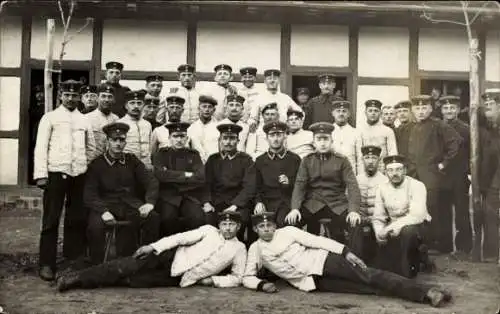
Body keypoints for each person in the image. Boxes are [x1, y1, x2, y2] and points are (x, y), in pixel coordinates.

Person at [243, 212, 452, 308]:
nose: (267, 229)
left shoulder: (287, 231)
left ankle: (428, 293)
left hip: (324, 260)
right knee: (365, 288)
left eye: (269, 225)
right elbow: (247, 276)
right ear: (255, 229)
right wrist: (261, 284)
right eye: (262, 227)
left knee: (369, 275)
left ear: (274, 225)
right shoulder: (256, 249)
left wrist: (345, 252)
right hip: (311, 282)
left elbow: (317, 241)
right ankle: (431, 291)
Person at [56, 212, 247, 292]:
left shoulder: (239, 248)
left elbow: (237, 276)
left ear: (238, 226)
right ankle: (74, 279)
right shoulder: (208, 230)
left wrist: (213, 280)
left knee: (132, 282)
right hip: (169, 257)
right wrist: (153, 247)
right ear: (219, 224)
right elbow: (179, 238)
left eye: (232, 224)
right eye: (224, 223)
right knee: (126, 266)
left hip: (181, 278)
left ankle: (87, 280)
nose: (228, 228)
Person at [34, 80, 97, 281]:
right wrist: (41, 174)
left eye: (75, 95)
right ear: (60, 95)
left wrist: (83, 166)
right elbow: (41, 147)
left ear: (79, 97)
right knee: (51, 220)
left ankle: (72, 260)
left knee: (76, 219)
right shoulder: (50, 118)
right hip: (55, 173)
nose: (71, 98)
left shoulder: (84, 120)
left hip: (78, 174)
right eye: (67, 95)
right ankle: (46, 264)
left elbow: (92, 147)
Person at [84, 122, 160, 265]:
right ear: (107, 141)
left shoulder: (132, 161)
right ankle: (97, 266)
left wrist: (150, 203)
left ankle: (146, 262)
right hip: (104, 204)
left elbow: (151, 181)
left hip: (129, 203)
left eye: (122, 140)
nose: (118, 144)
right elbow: (89, 194)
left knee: (152, 217)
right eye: (114, 140)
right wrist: (103, 211)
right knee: (95, 227)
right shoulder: (97, 164)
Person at [286, 122, 361, 241]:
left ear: (332, 141)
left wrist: (353, 210)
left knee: (356, 224)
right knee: (291, 223)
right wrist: (295, 208)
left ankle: (352, 257)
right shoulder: (307, 161)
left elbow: (352, 186)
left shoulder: (342, 160)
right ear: (314, 142)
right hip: (313, 204)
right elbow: (300, 185)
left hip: (337, 204)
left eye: (326, 139)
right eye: (319, 139)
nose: (322, 143)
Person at [407, 95, 461, 254]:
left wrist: (443, 164)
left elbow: (455, 143)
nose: (421, 111)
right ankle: (420, 243)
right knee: (415, 208)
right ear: (413, 110)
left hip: (431, 175)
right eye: (417, 108)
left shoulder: (439, 125)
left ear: (430, 109)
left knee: (432, 208)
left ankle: (436, 245)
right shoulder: (411, 127)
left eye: (424, 108)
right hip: (413, 174)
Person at [372, 155, 432, 278]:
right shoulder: (382, 188)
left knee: (408, 232)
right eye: (390, 170)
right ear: (385, 172)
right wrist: (379, 233)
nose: (394, 174)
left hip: (417, 227)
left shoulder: (417, 185)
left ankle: (408, 273)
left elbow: (417, 216)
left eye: (398, 169)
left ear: (405, 170)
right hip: (393, 228)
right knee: (382, 266)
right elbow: (378, 216)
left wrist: (391, 228)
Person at [204, 123, 256, 244]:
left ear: (238, 141)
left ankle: (238, 251)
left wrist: (235, 206)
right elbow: (205, 183)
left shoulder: (246, 160)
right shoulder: (213, 159)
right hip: (215, 202)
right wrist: (207, 202)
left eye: (232, 138)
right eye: (225, 138)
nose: (228, 142)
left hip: (238, 203)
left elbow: (249, 187)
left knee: (240, 219)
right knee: (208, 221)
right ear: (220, 140)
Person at [153, 122, 206, 236]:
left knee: (198, 219)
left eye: (182, 136)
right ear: (169, 138)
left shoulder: (193, 154)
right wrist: (186, 175)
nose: (179, 140)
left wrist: (171, 175)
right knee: (167, 220)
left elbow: (200, 177)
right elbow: (160, 175)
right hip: (168, 196)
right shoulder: (162, 154)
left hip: (189, 196)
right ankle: (169, 251)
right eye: (175, 136)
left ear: (187, 138)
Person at [440, 95, 472, 256]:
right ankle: (444, 246)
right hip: (442, 175)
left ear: (458, 110)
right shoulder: (437, 127)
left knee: (461, 211)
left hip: (460, 175)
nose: (449, 111)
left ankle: (464, 247)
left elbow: (472, 153)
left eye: (452, 108)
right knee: (442, 211)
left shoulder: (466, 129)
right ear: (441, 110)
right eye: (445, 108)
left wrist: (470, 173)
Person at [254, 121, 301, 227]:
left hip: (287, 202)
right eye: (272, 135)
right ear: (266, 138)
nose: (275, 139)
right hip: (267, 203)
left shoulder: (294, 159)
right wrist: (258, 202)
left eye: (279, 135)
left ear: (285, 136)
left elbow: (301, 185)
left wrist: (289, 182)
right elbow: (256, 185)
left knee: (285, 224)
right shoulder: (260, 160)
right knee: (261, 228)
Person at [349, 145, 388, 265]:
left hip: (378, 221)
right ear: (362, 160)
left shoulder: (385, 181)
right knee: (355, 225)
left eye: (374, 158)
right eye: (367, 157)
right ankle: (356, 266)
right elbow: (349, 200)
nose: (370, 161)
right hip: (360, 220)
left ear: (379, 160)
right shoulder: (356, 179)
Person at [476, 89, 500, 262]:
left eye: (491, 105)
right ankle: (491, 254)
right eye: (486, 105)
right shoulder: (487, 128)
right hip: (491, 179)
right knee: (489, 213)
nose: (487, 109)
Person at [359, 99, 398, 173]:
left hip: (382, 170)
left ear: (380, 113)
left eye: (376, 111)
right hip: (365, 170)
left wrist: (389, 172)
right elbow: (359, 154)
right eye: (370, 111)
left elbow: (392, 153)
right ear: (365, 113)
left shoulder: (388, 131)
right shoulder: (360, 130)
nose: (373, 113)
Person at [118, 90, 153, 169]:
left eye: (139, 103)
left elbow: (150, 147)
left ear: (143, 105)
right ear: (126, 106)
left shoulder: (147, 124)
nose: (136, 106)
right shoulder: (120, 123)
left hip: (145, 166)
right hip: (126, 166)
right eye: (132, 103)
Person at [85, 84, 119, 156]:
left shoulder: (117, 119)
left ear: (114, 100)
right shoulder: (87, 118)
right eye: (103, 96)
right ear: (97, 98)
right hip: (93, 161)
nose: (106, 100)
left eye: (110, 97)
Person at [331, 100, 363, 175]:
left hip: (350, 174)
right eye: (338, 111)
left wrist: (359, 177)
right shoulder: (328, 132)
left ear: (349, 114)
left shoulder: (356, 133)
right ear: (333, 113)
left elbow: (360, 158)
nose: (341, 113)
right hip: (331, 175)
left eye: (344, 111)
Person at [187, 95, 220, 163]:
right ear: (199, 108)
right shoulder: (191, 128)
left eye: (210, 107)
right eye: (204, 106)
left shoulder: (218, 127)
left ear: (214, 110)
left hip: (214, 163)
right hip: (196, 164)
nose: (207, 110)